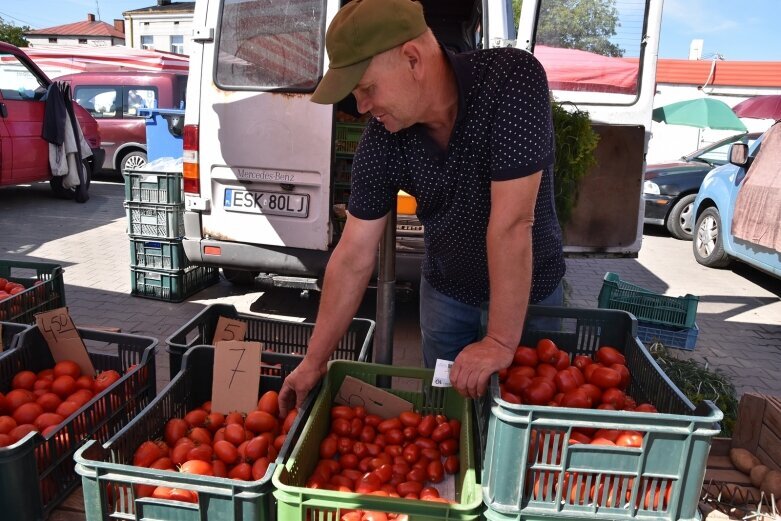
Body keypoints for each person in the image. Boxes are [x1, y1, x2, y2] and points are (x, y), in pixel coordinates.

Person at [278, 0, 565, 416]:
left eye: (367, 89)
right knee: (449, 421)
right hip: (447, 296)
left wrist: (501, 342)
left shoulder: (511, 79)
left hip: (531, 296)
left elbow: (513, 222)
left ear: (412, 58)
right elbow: (354, 254)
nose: (362, 108)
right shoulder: (383, 138)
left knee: (530, 427)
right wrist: (313, 361)